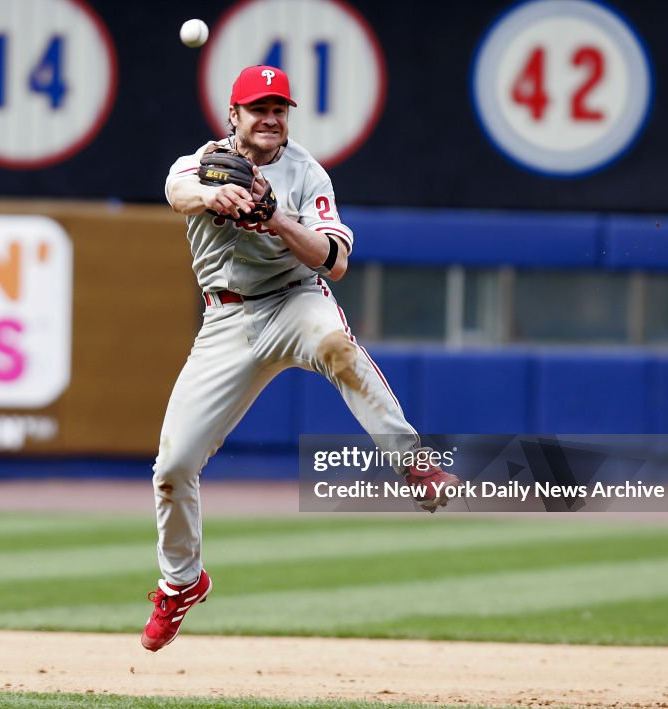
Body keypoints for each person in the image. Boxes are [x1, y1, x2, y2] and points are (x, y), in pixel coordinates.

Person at [141, 65, 460, 652]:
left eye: (279, 109)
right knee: (172, 469)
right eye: (257, 108)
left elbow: (333, 261)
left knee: (338, 346)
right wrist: (216, 193)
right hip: (225, 321)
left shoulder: (305, 172)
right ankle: (182, 582)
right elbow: (177, 190)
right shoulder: (206, 161)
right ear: (232, 115)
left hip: (293, 301)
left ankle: (412, 461)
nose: (270, 118)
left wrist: (275, 217)